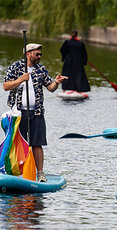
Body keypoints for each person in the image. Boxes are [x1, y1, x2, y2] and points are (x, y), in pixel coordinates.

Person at [3, 43, 68, 182]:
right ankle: (16, 172)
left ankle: (40, 173)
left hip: (37, 113)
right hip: (19, 113)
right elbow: (6, 86)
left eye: (40, 54)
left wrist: (56, 82)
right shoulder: (15, 67)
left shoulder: (41, 69)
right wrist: (21, 79)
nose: (39, 57)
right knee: (18, 143)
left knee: (37, 144)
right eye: (36, 54)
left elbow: (50, 88)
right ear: (28, 54)